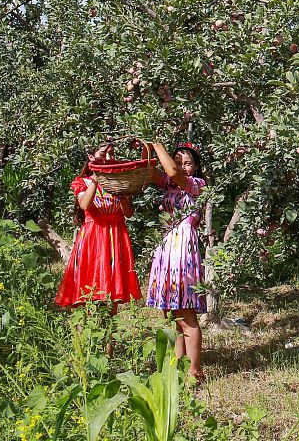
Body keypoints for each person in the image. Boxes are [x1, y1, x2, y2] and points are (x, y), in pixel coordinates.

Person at [144, 141, 207, 382]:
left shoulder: (197, 184)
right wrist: (146, 147)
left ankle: (194, 371)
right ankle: (179, 367)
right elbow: (149, 170)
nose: (182, 167)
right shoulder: (170, 183)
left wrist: (156, 142)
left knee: (186, 313)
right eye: (179, 162)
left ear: (197, 166)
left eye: (188, 163)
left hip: (183, 248)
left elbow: (171, 172)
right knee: (171, 313)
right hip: (167, 246)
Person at [56, 143, 142, 312]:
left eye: (112, 154)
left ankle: (109, 335)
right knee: (90, 290)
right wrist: (97, 177)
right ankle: (88, 336)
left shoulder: (119, 181)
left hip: (115, 237)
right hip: (93, 237)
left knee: (112, 294)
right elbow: (85, 204)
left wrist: (122, 193)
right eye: (104, 154)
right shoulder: (82, 182)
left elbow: (129, 213)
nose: (109, 158)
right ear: (91, 158)